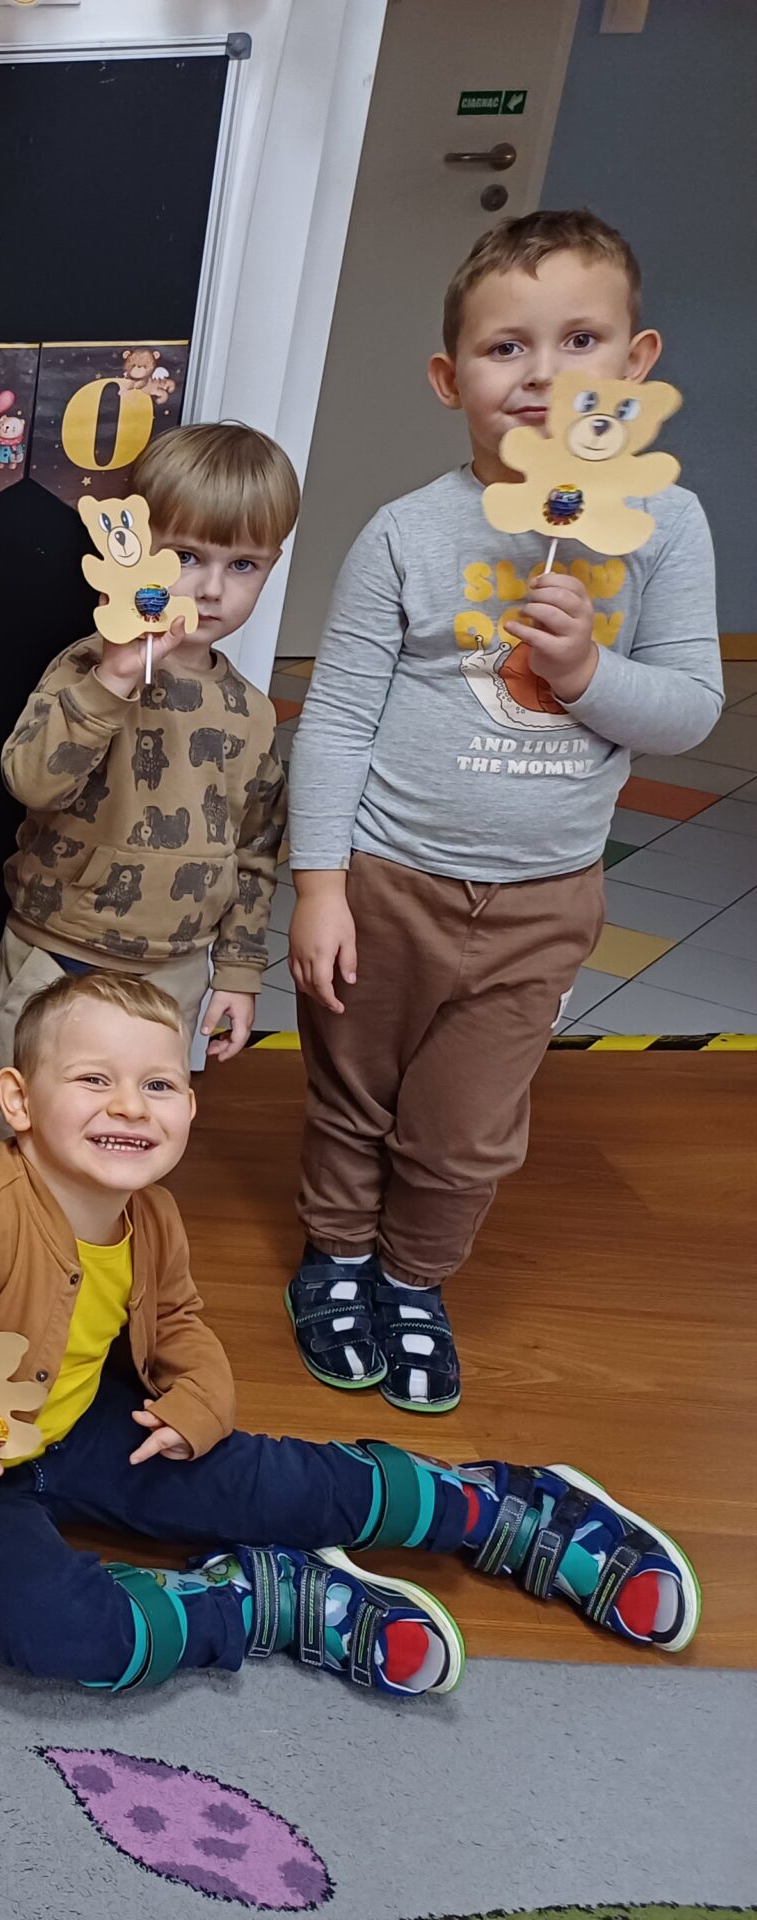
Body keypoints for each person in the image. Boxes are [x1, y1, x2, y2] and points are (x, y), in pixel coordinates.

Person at [0, 972, 699, 1700]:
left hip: (79, 1425)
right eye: (94, 1080)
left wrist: (199, 1402)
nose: (130, 1106)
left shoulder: (152, 1218)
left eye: (159, 1084)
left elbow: (179, 1323)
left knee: (270, 1481)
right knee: (58, 1635)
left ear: (190, 1105)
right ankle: (258, 1601)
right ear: (18, 1100)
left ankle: (491, 1506)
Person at [286, 210, 721, 1413]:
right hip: (389, 878)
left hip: (542, 897)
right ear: (449, 380)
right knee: (352, 1093)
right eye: (504, 348)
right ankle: (335, 1257)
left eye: (579, 340)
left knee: (466, 1125)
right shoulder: (404, 534)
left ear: (635, 362)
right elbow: (335, 718)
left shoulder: (664, 527)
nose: (541, 375)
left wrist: (584, 672)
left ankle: (412, 1277)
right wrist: (318, 886)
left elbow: (688, 709)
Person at [0, 423, 297, 1085]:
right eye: (187, 556)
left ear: (272, 565)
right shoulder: (88, 666)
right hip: (61, 950)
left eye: (242, 565)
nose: (212, 589)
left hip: (175, 969)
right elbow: (31, 781)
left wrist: (240, 972)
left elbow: (255, 851)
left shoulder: (252, 712)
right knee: (33, 1117)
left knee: (141, 1121)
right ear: (138, 547)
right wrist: (112, 682)